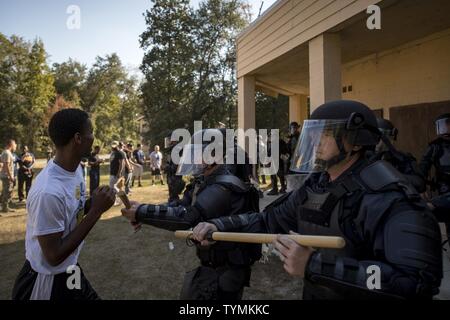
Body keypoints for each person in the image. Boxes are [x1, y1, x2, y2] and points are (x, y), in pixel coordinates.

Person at [193, 100, 443, 300]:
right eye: (314, 134)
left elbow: (414, 282)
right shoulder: (317, 185)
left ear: (355, 142)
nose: (315, 143)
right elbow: (267, 220)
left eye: (326, 135)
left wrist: (315, 266)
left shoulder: (392, 200)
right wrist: (219, 226)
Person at [121, 129, 262, 300]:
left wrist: (142, 213)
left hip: (228, 269)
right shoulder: (205, 179)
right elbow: (179, 205)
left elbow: (187, 216)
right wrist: (143, 208)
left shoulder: (223, 186)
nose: (194, 158)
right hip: (213, 264)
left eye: (199, 153)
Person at [11, 108, 116, 300]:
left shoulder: (73, 170)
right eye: (90, 132)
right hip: (46, 282)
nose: (94, 137)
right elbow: (53, 256)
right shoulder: (48, 191)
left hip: (69, 271)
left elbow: (71, 212)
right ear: (77, 138)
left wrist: (95, 201)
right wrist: (96, 211)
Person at [419, 113, 450, 258]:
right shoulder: (435, 147)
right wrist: (421, 186)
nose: (446, 130)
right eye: (443, 126)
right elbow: (423, 167)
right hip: (443, 189)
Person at [369, 118, 426, 193]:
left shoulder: (402, 158)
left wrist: (392, 177)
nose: (377, 142)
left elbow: (419, 183)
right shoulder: (363, 157)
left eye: (381, 138)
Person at [164, 134, 185, 203]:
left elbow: (177, 165)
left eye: (170, 140)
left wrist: (168, 167)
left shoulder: (177, 150)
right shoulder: (171, 150)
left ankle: (175, 204)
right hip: (171, 174)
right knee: (171, 193)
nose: (168, 142)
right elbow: (168, 161)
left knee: (174, 193)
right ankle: (172, 202)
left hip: (175, 175)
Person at [1, 139, 17, 213]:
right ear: (11, 144)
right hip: (7, 176)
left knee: (6, 191)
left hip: (6, 175)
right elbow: (6, 165)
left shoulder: (7, 152)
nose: (15, 146)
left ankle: (5, 206)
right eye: (14, 144)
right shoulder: (7, 153)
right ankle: (5, 208)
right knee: (6, 191)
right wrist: (11, 177)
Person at [109, 141, 124, 205]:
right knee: (112, 187)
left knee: (113, 187)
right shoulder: (113, 153)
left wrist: (119, 172)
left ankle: (121, 199)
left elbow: (121, 164)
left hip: (116, 173)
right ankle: (117, 200)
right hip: (112, 173)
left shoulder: (120, 153)